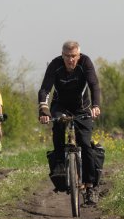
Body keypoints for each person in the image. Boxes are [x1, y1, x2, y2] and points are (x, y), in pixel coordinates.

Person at [38, 40, 101, 204]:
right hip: (61, 106)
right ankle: (59, 164)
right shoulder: (55, 65)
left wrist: (95, 106)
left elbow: (94, 84)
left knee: (86, 144)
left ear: (78, 55)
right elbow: (45, 88)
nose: (70, 60)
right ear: (62, 55)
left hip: (82, 108)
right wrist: (43, 109)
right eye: (67, 56)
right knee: (58, 128)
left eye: (73, 56)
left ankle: (90, 187)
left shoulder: (85, 62)